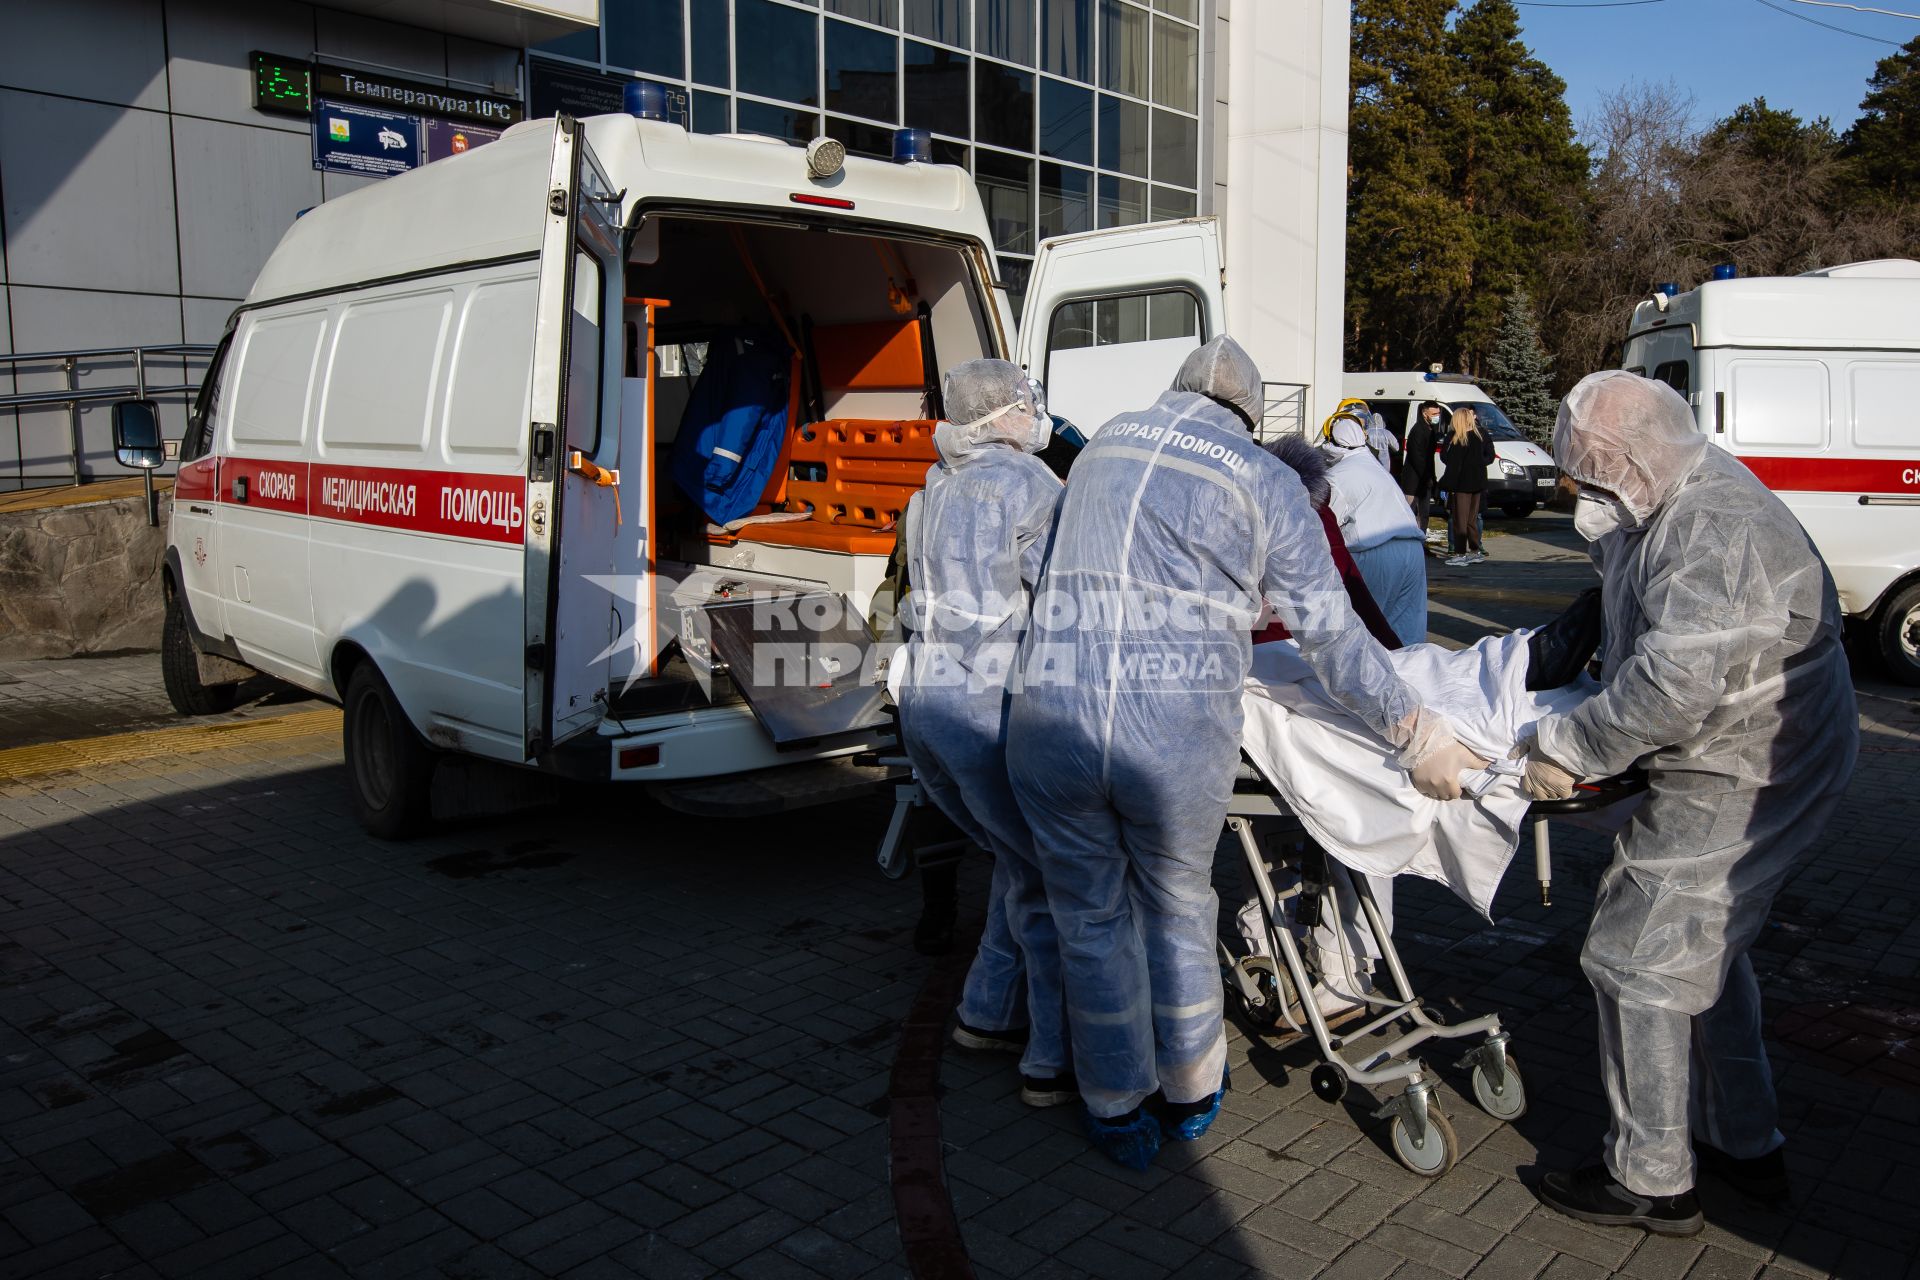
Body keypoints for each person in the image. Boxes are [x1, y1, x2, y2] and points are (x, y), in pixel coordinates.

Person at [1005, 335, 1482, 1171]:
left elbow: (1043, 571)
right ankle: (1189, 1092)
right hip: (1169, 736)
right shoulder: (1261, 478)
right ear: (1251, 413)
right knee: (1178, 908)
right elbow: (1330, 632)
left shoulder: (1107, 440)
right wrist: (1412, 728)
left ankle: (1114, 1104)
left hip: (1052, 721)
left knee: (1088, 918)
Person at [1516, 371, 1858, 1235]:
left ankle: (1652, 1178)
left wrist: (1567, 748)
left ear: (1631, 460)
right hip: (1733, 739)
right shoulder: (1662, 497)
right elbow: (1638, 611)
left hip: (1751, 759)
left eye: (1590, 480)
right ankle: (1745, 1143)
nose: (1582, 500)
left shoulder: (1713, 526)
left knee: (1636, 955)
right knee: (1702, 950)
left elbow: (1673, 688)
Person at [895, 359, 1075, 1108]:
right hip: (988, 705)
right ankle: (1050, 1056)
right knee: (1046, 875)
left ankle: (985, 1012)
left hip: (928, 702)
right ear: (995, 416)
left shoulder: (935, 487)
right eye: (1024, 403)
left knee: (1011, 858)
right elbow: (1067, 591)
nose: (1034, 411)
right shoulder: (1030, 487)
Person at [1322, 415, 1429, 647]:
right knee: (1406, 631)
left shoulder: (1337, 476)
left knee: (1365, 630)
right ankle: (1411, 678)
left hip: (1374, 551)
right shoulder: (1376, 467)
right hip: (1412, 549)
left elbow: (1327, 525)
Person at [1440, 406, 1495, 565]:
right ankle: (1475, 550)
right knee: (1471, 519)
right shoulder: (1480, 435)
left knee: (1460, 520)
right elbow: (1488, 456)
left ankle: (1460, 553)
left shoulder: (1458, 438)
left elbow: (1452, 464)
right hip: (1477, 483)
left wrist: (1445, 484)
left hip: (1461, 485)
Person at [1401, 400, 1443, 540]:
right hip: (1414, 481)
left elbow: (1429, 459)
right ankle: (1410, 541)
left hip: (1425, 480)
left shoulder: (1430, 429)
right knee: (1411, 513)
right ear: (1425, 413)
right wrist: (1426, 477)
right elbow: (1417, 457)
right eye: (1434, 413)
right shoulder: (1418, 430)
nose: (1437, 416)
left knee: (1424, 514)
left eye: (1438, 413)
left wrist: (1432, 478)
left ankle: (1420, 540)